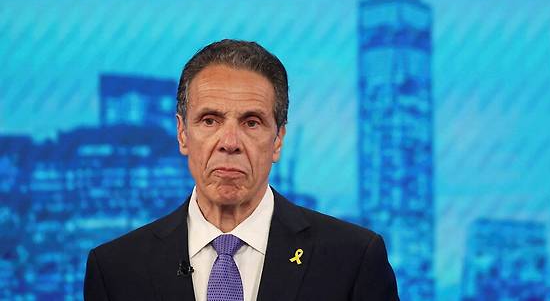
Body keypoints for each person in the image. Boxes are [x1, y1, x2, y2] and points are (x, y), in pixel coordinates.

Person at [84, 39, 399, 301]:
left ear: (278, 139)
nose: (229, 143)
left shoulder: (353, 260)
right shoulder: (115, 270)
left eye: (251, 122)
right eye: (210, 121)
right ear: (182, 134)